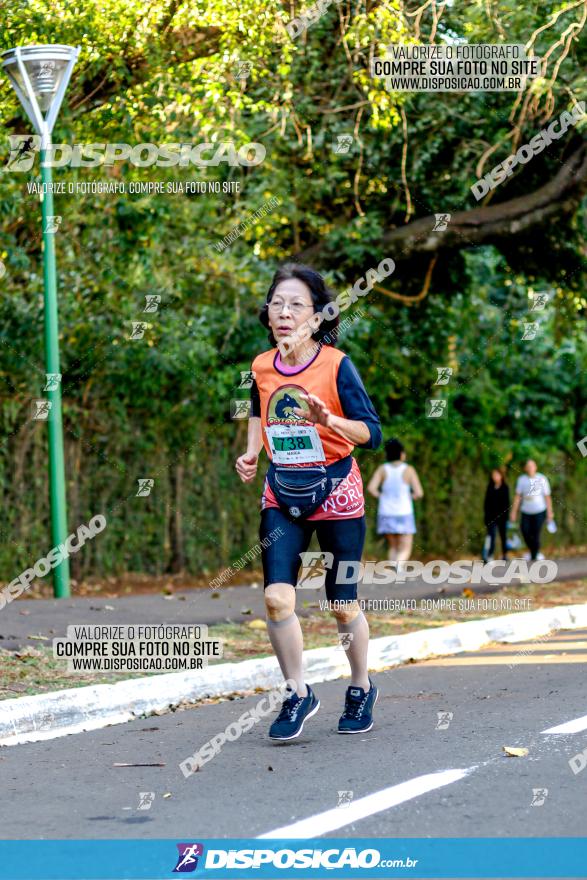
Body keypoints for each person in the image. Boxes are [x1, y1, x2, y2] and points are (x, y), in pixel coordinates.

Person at [235, 263, 382, 740]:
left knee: (342, 603)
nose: (283, 312)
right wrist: (253, 449)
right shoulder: (260, 364)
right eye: (277, 303)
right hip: (283, 490)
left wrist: (329, 421)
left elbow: (372, 433)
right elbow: (259, 405)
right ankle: (297, 693)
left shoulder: (337, 365)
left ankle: (360, 686)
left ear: (316, 318)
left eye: (296, 304)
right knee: (277, 598)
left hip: (336, 489)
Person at [367, 439, 423, 565]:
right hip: (404, 512)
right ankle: (398, 565)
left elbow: (371, 488)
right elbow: (419, 493)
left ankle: (394, 566)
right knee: (405, 547)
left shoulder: (382, 469)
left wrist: (381, 496)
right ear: (402, 454)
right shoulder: (409, 470)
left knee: (393, 546)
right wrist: (411, 496)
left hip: (386, 512)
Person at [509, 459, 554, 561]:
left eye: (532, 466)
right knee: (525, 531)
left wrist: (550, 512)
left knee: (535, 533)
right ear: (525, 468)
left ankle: (535, 554)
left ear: (536, 467)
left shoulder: (542, 478)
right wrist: (513, 512)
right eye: (528, 466)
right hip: (526, 511)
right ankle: (533, 551)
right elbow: (517, 497)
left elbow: (547, 497)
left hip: (539, 510)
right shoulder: (522, 480)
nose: (530, 468)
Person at [482, 467, 510, 562]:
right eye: (493, 475)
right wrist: (486, 516)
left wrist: (505, 516)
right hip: (491, 517)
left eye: (497, 475)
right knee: (491, 536)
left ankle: (505, 554)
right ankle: (489, 555)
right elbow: (486, 504)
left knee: (503, 536)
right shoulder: (490, 488)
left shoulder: (505, 488)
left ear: (501, 476)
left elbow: (507, 504)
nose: (495, 477)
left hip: (502, 517)